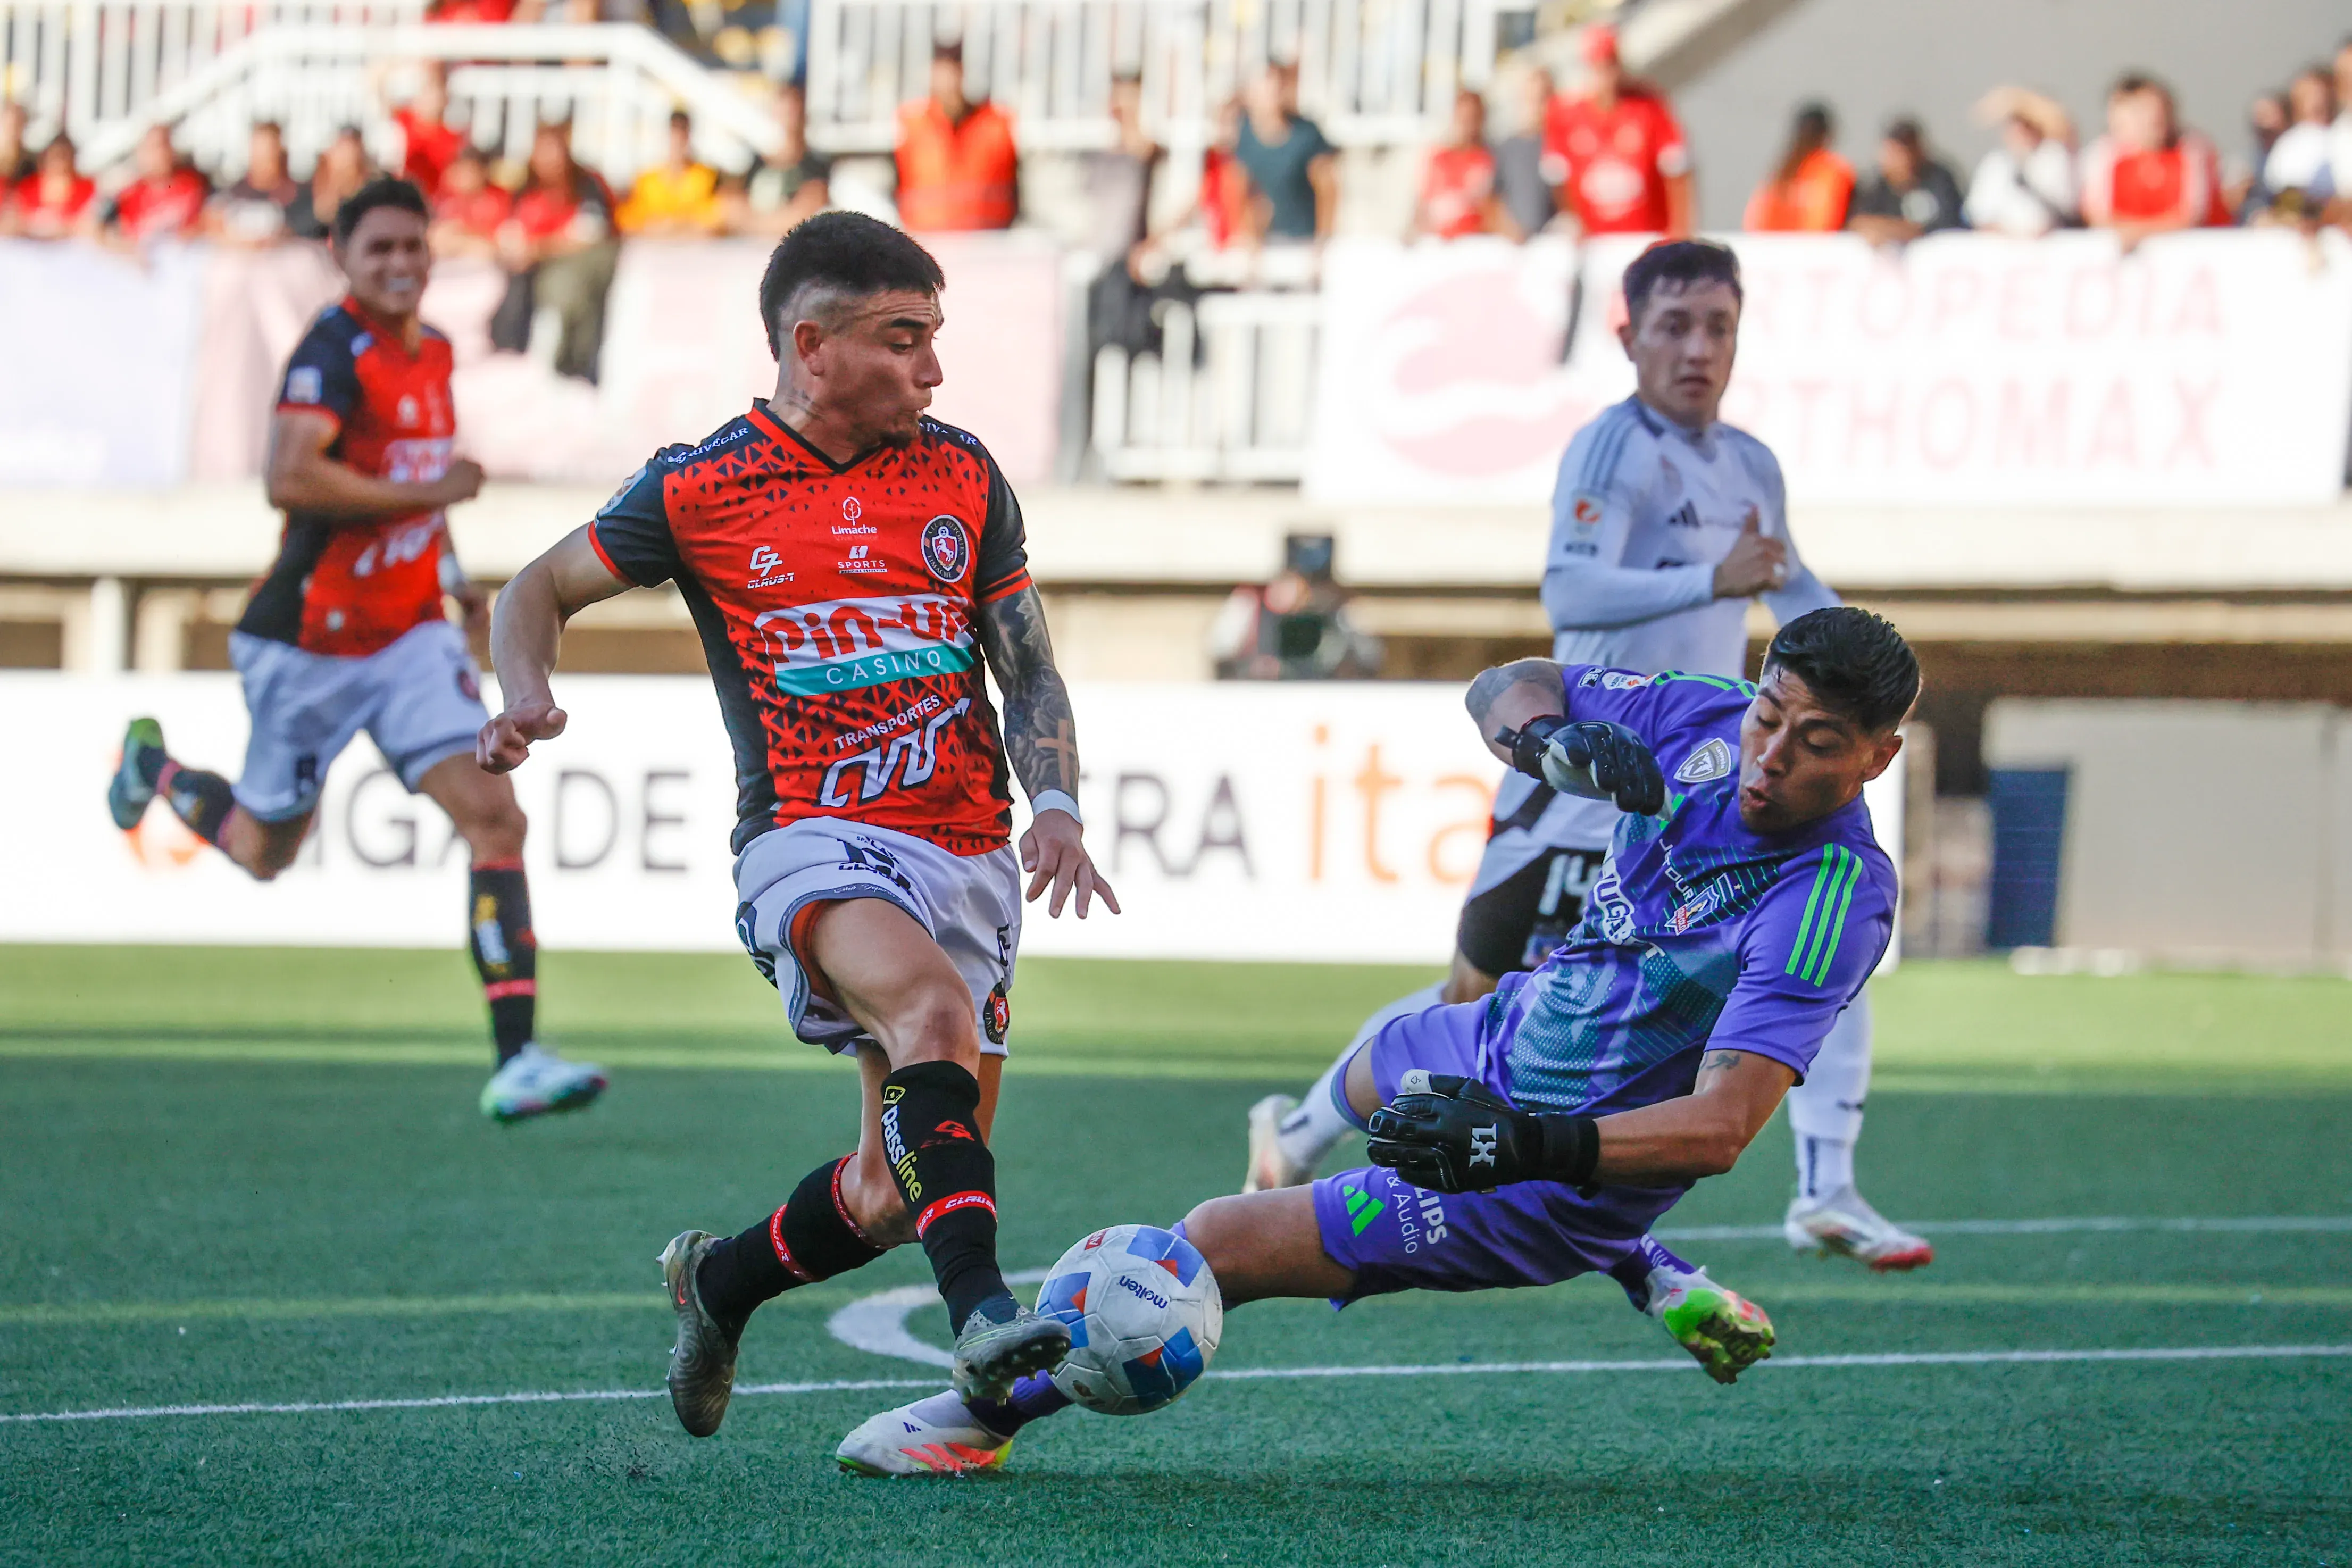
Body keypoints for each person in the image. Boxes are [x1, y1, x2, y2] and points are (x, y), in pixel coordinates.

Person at [837, 606, 1917, 1475]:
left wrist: (1522, 1147)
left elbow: (1723, 1124)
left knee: (1219, 1237)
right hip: (1503, 1031)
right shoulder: (1709, 714)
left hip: (1547, 1179)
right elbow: (1506, 684)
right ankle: (1630, 1263)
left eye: (1814, 744)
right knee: (1375, 1058)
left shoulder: (1830, 897)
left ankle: (980, 1417)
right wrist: (1548, 745)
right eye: (1769, 716)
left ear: (1879, 756)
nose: (1766, 757)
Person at [474, 211, 1120, 1440]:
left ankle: (717, 1283)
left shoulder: (963, 474)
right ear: (809, 346)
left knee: (887, 1191)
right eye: (903, 339)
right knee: (927, 1011)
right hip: (811, 839)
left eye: (935, 338)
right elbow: (534, 587)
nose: (931, 369)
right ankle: (983, 1319)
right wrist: (524, 691)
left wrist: (1055, 806)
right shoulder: (702, 485)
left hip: (969, 848)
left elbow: (1024, 668)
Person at [1242, 240, 1926, 1275]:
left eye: (1719, 328)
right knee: (1479, 1003)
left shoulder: (1751, 464)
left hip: (1718, 789)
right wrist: (1707, 580)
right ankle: (1298, 1139)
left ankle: (1823, 1186)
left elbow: (1792, 592)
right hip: (1599, 776)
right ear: (1628, 337)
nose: (1699, 350)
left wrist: (1865, 674)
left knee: (1820, 956)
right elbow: (1571, 598)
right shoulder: (1612, 449)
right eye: (1675, 326)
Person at [104, 178, 605, 1125]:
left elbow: (420, 478)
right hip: (310, 643)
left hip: (408, 634)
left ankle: (519, 1057)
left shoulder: (435, 352)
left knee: (495, 820)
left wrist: (445, 564)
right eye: (380, 249)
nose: (402, 264)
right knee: (262, 850)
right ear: (341, 255)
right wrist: (432, 503)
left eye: (414, 246)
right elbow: (289, 477)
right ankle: (154, 767)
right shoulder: (331, 351)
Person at [494, 120, 619, 381]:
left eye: (555, 150)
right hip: (533, 269)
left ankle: (572, 370)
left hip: (581, 269)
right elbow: (510, 231)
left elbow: (590, 234)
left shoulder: (588, 184)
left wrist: (538, 249)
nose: (549, 159)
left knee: (569, 294)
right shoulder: (525, 186)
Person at [1543, 24, 1690, 238]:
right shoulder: (1566, 115)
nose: (1606, 76)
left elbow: (1677, 169)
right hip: (1595, 241)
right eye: (1599, 67)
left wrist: (1679, 229)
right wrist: (1574, 221)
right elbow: (1558, 177)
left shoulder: (1648, 107)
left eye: (1610, 65)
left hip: (1646, 235)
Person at [1209, 533, 1381, 680]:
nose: (1308, 592)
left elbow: (1369, 656)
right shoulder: (1251, 600)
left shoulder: (1338, 610)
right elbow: (1220, 651)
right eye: (1300, 579)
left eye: (1315, 582)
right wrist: (1254, 667)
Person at [2079, 74, 2225, 246]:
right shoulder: (2102, 155)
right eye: (2139, 111)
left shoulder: (2193, 150)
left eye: (2158, 110)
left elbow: (2192, 215)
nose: (2153, 118)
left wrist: (2136, 234)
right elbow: (2097, 215)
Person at [894, 43, 1019, 231]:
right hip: (926, 235)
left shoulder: (997, 122)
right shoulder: (912, 122)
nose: (949, 81)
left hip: (989, 238)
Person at [1233, 61, 1336, 245]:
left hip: (1305, 241)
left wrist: (1323, 239)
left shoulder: (1307, 134)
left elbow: (1328, 189)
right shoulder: (1244, 134)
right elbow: (1244, 190)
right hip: (1269, 241)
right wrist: (1251, 237)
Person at [1964, 88, 2077, 236]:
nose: (2019, 132)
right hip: (1999, 243)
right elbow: (1978, 212)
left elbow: (2065, 207)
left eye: (2026, 125)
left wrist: (2018, 100)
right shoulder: (1996, 163)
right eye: (2014, 125)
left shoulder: (2053, 157)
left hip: (2047, 242)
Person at [727, 82, 831, 236]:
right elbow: (732, 209)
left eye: (793, 110)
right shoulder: (758, 163)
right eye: (785, 110)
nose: (789, 116)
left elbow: (803, 215)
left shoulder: (814, 165)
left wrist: (752, 223)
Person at [1846, 118, 1966, 244]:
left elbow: (1948, 224)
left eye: (1909, 148)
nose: (1905, 157)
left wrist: (1898, 230)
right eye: (1897, 151)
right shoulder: (1877, 182)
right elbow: (1859, 221)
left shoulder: (1940, 178)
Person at [1744, 102, 1853, 232]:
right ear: (1827, 134)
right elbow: (1828, 222)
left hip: (1773, 248)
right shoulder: (1835, 169)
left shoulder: (1781, 170)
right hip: (1815, 249)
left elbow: (1755, 221)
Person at [1412, 88, 1503, 240]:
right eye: (1463, 118)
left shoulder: (1489, 158)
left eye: (1472, 118)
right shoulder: (1438, 158)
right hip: (1440, 242)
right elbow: (1422, 207)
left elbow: (1492, 208)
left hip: (1475, 242)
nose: (1467, 124)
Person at [618, 110, 724, 236]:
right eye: (675, 137)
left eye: (682, 137)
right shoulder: (647, 181)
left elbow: (717, 220)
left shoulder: (706, 177)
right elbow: (628, 221)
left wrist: (673, 227)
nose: (678, 144)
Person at [101, 124, 212, 245]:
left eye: (164, 145)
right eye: (153, 148)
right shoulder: (127, 196)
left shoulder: (192, 182)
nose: (160, 153)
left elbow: (208, 224)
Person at [2255, 67, 2338, 222]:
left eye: (2317, 93)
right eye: (2307, 95)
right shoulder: (2288, 144)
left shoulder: (2341, 135)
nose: (2315, 100)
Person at [206, 121, 306, 246]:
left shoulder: (296, 196)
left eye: (268, 148)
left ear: (280, 150)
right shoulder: (233, 194)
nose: (262, 156)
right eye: (258, 148)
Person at [1492, 65, 1559, 240]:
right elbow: (1493, 198)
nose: (1539, 106)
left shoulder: (1565, 143)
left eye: (1544, 98)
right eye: (1532, 99)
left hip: (1555, 246)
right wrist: (1509, 229)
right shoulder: (1507, 148)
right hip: (1517, 250)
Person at [383, 61, 464, 196]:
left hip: (432, 199)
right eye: (429, 94)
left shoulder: (452, 137)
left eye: (437, 95)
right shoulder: (403, 120)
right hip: (401, 193)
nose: (433, 100)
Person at [427, 144, 511, 258]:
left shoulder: (497, 199)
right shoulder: (447, 199)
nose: (464, 177)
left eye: (470, 171)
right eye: (461, 171)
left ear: (483, 173)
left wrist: (463, 232)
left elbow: (497, 242)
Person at [6, 133, 96, 238]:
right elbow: (13, 222)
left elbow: (90, 227)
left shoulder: (87, 189)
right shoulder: (27, 187)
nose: (59, 161)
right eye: (55, 156)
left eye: (64, 156)